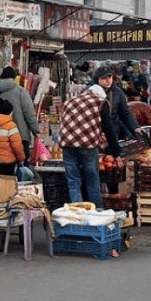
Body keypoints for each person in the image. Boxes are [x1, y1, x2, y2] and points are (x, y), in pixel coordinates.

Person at [58, 80, 110, 209]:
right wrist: (114, 148)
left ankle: (79, 213)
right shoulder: (100, 101)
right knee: (92, 181)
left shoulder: (69, 101)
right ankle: (97, 212)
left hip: (68, 145)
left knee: (73, 181)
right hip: (87, 146)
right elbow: (108, 127)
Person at [0, 66, 40, 159]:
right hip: (20, 135)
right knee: (22, 167)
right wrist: (36, 131)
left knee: (2, 168)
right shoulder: (21, 92)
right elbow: (29, 114)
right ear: (14, 77)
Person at [97, 65, 143, 155]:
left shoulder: (117, 92)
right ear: (97, 79)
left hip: (114, 133)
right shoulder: (90, 92)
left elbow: (125, 112)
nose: (108, 80)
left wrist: (135, 127)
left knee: (113, 160)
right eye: (104, 78)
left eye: (109, 77)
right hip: (96, 134)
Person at [0, 97, 26, 176]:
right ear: (10, 112)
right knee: (8, 184)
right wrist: (21, 159)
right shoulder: (11, 126)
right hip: (8, 162)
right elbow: (17, 146)